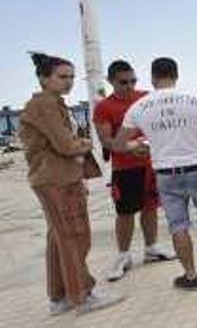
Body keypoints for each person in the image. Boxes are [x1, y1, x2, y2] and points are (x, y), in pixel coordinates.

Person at [113, 57, 197, 290]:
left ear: (152, 78)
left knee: (178, 225)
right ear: (176, 76)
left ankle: (190, 276)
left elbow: (119, 144)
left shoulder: (138, 107)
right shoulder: (194, 100)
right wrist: (196, 130)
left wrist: (140, 145)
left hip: (166, 173)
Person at [19, 53, 124, 315]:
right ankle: (81, 295)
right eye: (62, 77)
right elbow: (66, 144)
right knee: (74, 236)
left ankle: (59, 297)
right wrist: (86, 144)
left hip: (57, 177)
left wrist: (77, 152)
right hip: (57, 179)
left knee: (59, 237)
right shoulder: (45, 104)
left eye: (72, 77)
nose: (69, 82)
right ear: (44, 78)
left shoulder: (52, 103)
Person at [93, 60, 175, 282]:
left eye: (133, 81)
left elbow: (163, 124)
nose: (129, 86)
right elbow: (106, 140)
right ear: (110, 81)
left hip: (151, 164)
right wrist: (131, 146)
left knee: (150, 207)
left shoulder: (146, 98)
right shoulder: (104, 107)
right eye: (123, 82)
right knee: (126, 212)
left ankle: (151, 248)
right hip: (124, 168)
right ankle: (123, 255)